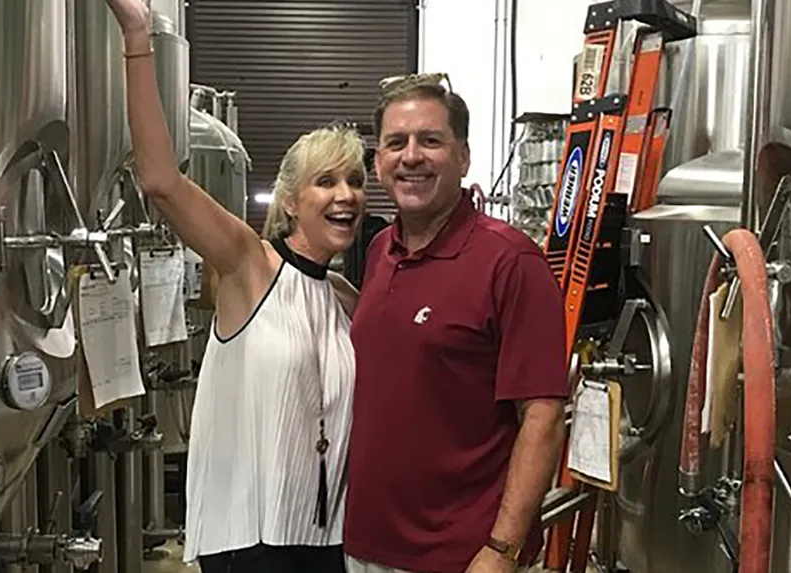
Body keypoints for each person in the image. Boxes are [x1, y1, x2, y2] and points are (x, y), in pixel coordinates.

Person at [105, 2, 363, 571]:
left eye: (354, 180)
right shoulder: (251, 265)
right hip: (250, 538)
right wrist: (138, 36)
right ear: (291, 201)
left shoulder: (345, 299)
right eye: (327, 181)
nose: (346, 194)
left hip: (326, 538)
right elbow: (161, 180)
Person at [345, 75, 569, 573]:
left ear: (463, 157)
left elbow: (543, 416)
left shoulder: (511, 262)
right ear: (378, 160)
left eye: (431, 141)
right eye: (395, 143)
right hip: (365, 545)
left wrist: (502, 549)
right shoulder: (381, 250)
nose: (411, 157)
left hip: (460, 555)